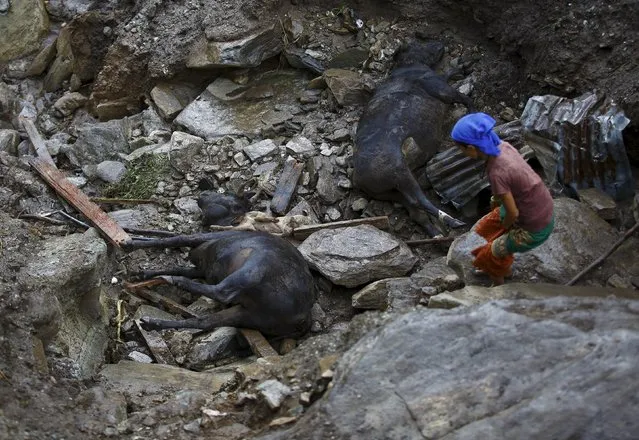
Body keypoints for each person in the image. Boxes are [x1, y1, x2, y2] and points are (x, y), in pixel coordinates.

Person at [451, 112, 554, 286]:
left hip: (534, 227)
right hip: (538, 205)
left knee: (491, 252)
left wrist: (505, 227)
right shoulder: (504, 146)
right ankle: (498, 258)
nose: (462, 153)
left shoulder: (497, 173)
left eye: (461, 150)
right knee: (484, 229)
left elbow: (512, 213)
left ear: (470, 148)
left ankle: (498, 283)